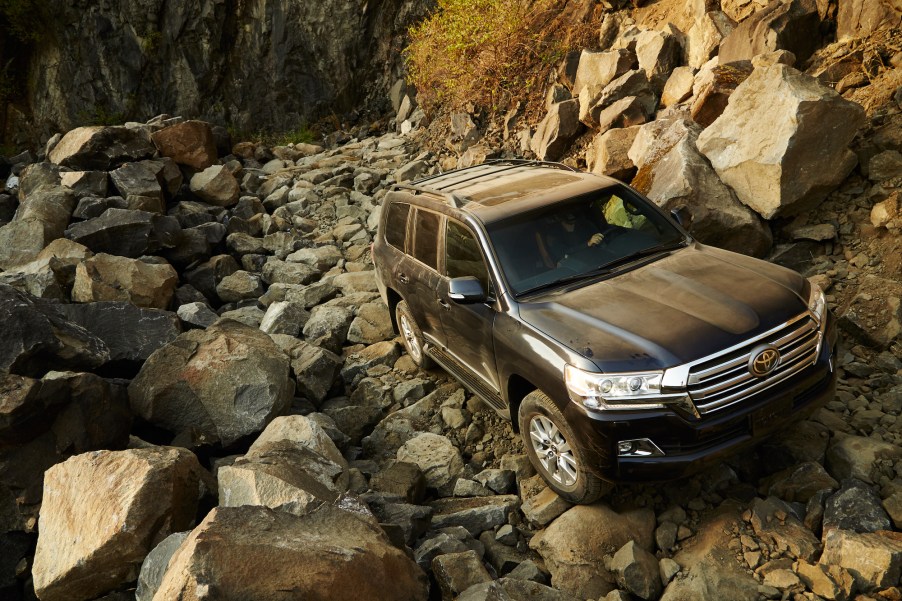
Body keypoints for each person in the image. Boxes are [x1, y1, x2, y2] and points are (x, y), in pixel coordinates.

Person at [539, 210, 605, 267]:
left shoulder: (585, 224)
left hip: (600, 262)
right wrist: (588, 243)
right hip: (575, 270)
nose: (570, 213)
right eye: (565, 211)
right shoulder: (552, 235)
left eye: (571, 210)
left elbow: (603, 241)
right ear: (558, 217)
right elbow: (564, 253)